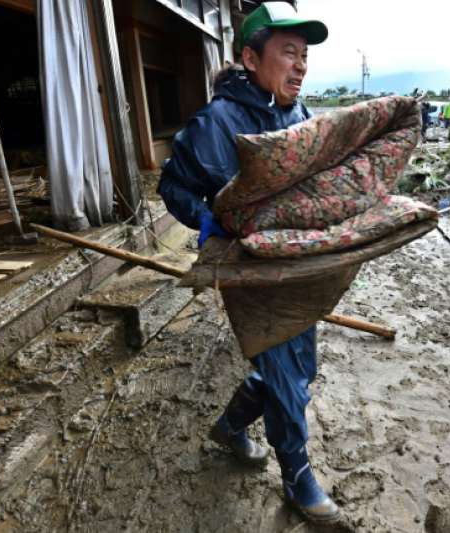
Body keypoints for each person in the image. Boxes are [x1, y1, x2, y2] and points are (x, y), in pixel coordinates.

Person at [156, 2, 339, 524]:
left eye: (304, 56)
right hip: (247, 266)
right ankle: (298, 475)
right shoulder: (217, 121)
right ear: (251, 58)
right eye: (289, 53)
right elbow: (172, 185)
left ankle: (231, 427)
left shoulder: (297, 115)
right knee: (284, 370)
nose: (301, 65)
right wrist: (206, 220)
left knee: (300, 368)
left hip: (296, 263)